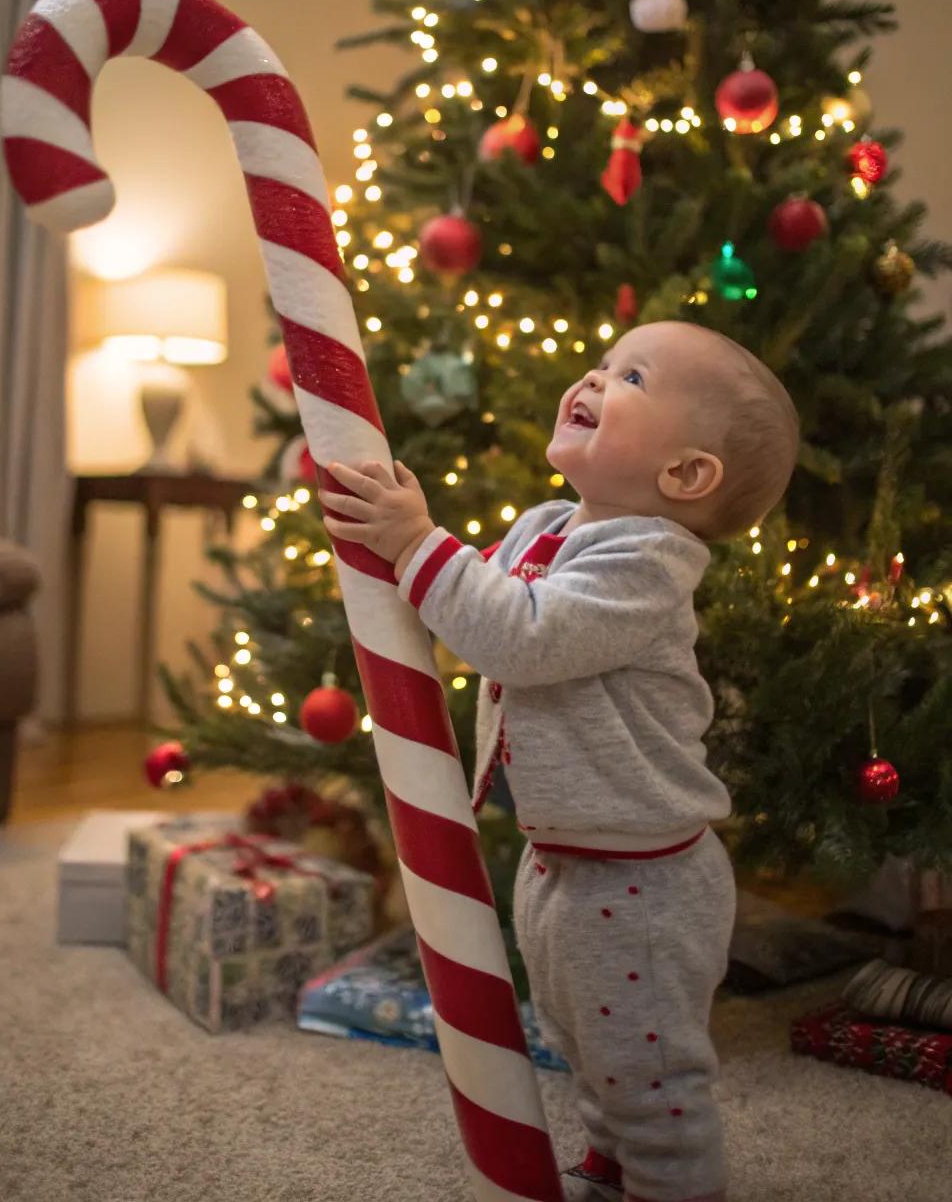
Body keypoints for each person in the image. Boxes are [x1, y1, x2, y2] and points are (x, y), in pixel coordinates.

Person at [320, 320, 799, 1202]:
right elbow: (473, 605)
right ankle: (612, 1168)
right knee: (585, 1043)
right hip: (565, 857)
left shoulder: (650, 561)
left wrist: (415, 544)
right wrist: (405, 556)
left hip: (642, 884)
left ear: (686, 475)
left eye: (632, 378)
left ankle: (673, 1182)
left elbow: (518, 637)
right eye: (606, 361)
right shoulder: (547, 522)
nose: (593, 376)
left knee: (648, 1069)